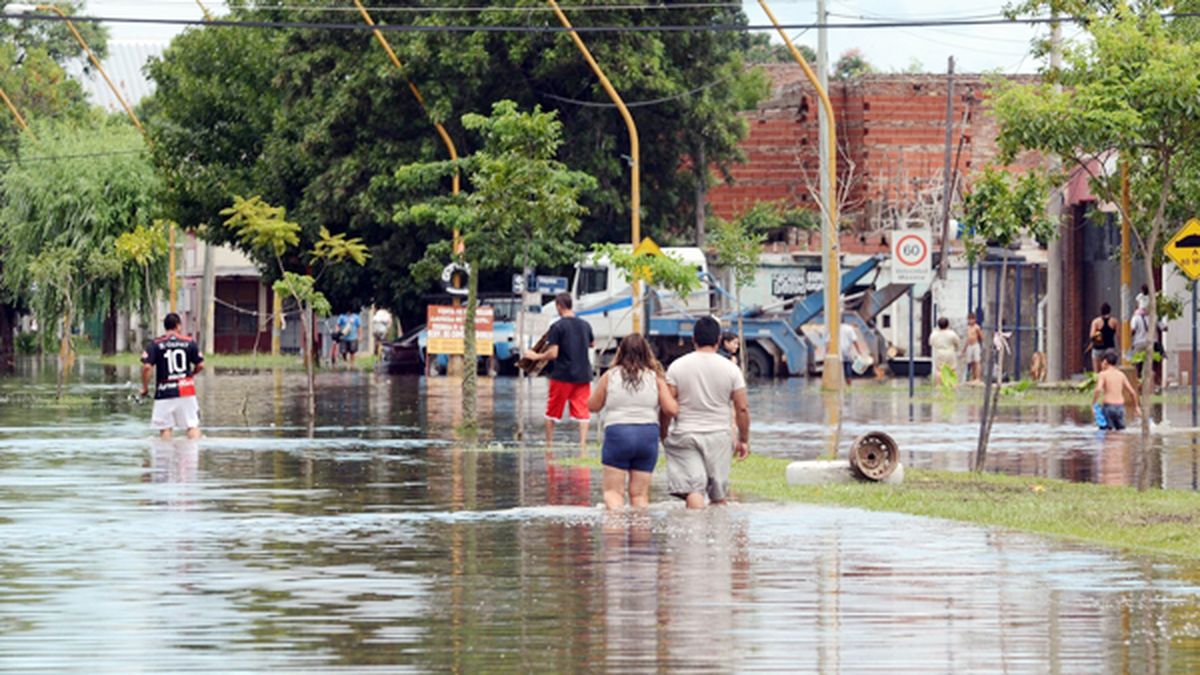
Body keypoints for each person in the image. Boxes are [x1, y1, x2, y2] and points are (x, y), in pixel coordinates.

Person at [662, 315, 750, 509]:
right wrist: (743, 439)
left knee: (694, 489)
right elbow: (742, 408)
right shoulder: (731, 370)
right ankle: (718, 535)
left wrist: (663, 433)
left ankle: (693, 534)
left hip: (685, 434)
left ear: (693, 339)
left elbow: (667, 407)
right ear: (718, 341)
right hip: (719, 436)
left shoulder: (677, 367)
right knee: (718, 496)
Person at [587, 334, 678, 509]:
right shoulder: (655, 378)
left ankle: (615, 534)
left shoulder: (610, 376)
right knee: (640, 496)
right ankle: (640, 534)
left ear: (620, 352)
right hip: (647, 436)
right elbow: (671, 409)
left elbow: (593, 406)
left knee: (613, 493)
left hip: (618, 435)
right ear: (646, 352)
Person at [523, 292, 595, 450]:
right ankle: (582, 445)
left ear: (559, 306)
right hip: (583, 375)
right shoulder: (585, 325)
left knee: (552, 411)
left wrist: (536, 356)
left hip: (563, 375)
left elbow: (553, 353)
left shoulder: (557, 326)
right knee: (583, 412)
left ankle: (548, 445)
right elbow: (592, 344)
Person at [140, 313, 204, 440]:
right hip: (186, 389)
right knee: (192, 426)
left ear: (165, 327)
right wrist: (191, 375)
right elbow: (201, 365)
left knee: (165, 428)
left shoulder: (155, 344)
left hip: (164, 392)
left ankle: (164, 456)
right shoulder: (189, 342)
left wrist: (145, 388)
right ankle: (192, 456)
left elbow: (147, 367)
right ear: (178, 326)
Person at [1093, 350, 1141, 431]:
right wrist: (1136, 407)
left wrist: (1094, 404)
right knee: (1120, 431)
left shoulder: (1103, 374)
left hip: (1108, 407)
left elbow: (1098, 389)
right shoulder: (1121, 375)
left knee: (1107, 432)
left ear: (1105, 361)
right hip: (1120, 408)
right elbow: (1132, 392)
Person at [929, 317, 961, 382]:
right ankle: (953, 384)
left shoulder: (934, 334)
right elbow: (957, 342)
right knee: (953, 369)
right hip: (950, 352)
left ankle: (938, 385)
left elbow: (930, 343)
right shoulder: (951, 333)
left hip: (939, 352)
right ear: (948, 324)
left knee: (939, 370)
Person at [1089, 303, 1118, 372]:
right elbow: (1118, 335)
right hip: (1110, 347)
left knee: (1097, 370)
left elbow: (1091, 335)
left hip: (1098, 348)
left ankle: (1098, 381)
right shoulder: (1114, 321)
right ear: (1109, 311)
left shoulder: (1096, 322)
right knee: (1110, 369)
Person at [964, 314, 984, 383]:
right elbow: (967, 338)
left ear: (975, 320)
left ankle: (978, 378)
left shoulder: (977, 327)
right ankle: (973, 377)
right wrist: (964, 348)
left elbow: (981, 337)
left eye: (972, 319)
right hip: (969, 345)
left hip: (975, 345)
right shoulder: (968, 328)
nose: (970, 321)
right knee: (971, 362)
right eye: (969, 319)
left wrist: (980, 344)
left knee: (977, 361)